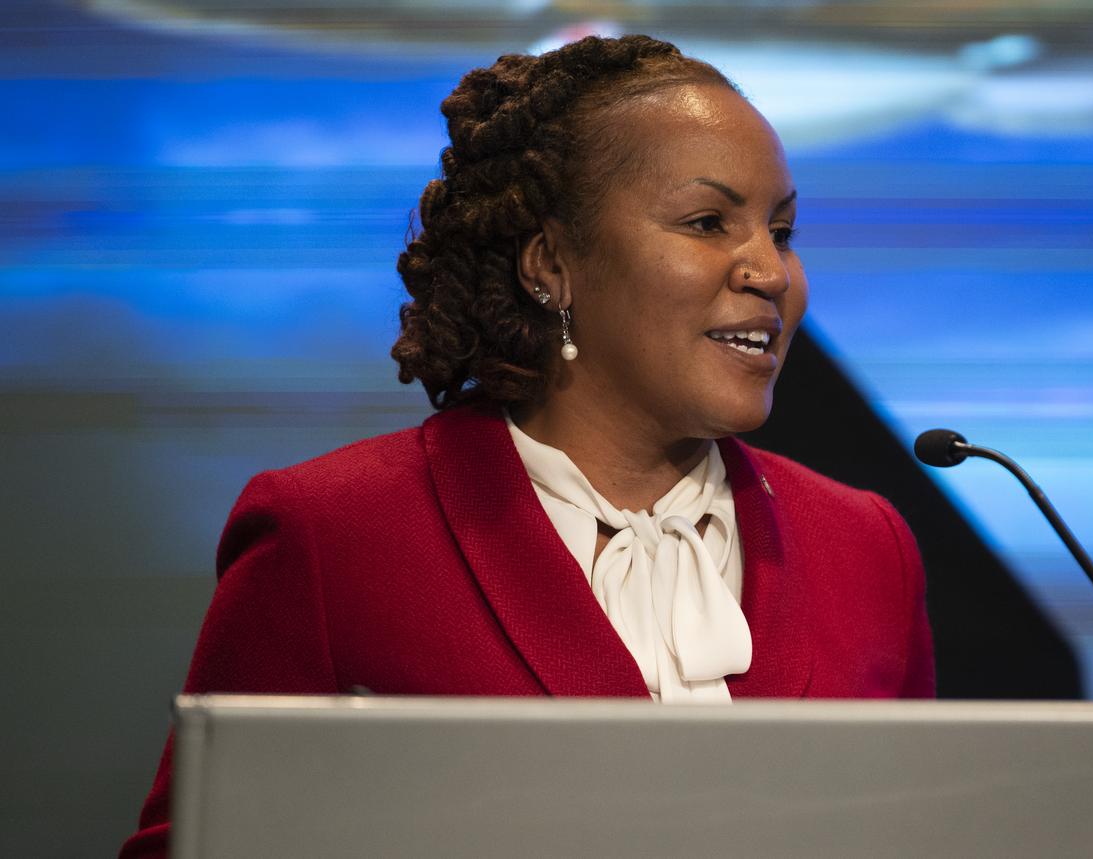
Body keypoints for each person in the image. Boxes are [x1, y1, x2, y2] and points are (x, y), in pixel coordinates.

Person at [119, 33, 934, 857]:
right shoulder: (334, 535)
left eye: (782, 230)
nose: (771, 271)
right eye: (707, 222)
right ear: (551, 264)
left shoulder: (866, 546)